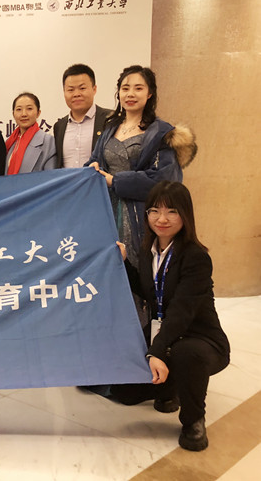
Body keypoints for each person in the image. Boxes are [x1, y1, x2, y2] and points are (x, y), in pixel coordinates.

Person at [117, 181, 230, 452]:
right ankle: (170, 386)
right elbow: (148, 290)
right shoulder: (149, 250)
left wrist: (155, 352)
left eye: (172, 211)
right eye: (154, 211)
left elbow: (181, 312)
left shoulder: (196, 257)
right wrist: (124, 263)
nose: (162, 219)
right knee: (125, 393)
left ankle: (193, 421)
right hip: (163, 331)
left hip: (198, 337)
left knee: (185, 354)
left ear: (185, 215)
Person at [86, 65, 197, 326]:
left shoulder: (161, 133)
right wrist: (91, 168)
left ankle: (144, 333)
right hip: (107, 213)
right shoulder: (110, 127)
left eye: (138, 88)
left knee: (139, 274)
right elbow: (95, 161)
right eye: (125, 88)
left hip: (140, 216)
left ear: (150, 94)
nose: (130, 94)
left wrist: (115, 180)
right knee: (108, 271)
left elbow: (163, 181)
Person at [52, 64, 110, 168]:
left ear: (94, 89)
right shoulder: (59, 126)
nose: (76, 94)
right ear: (64, 92)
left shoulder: (110, 119)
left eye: (82, 88)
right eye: (70, 90)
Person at [5, 92, 57, 174]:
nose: (24, 114)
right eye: (19, 109)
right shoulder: (10, 143)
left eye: (29, 109)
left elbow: (51, 176)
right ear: (13, 114)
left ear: (38, 113)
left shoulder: (48, 142)